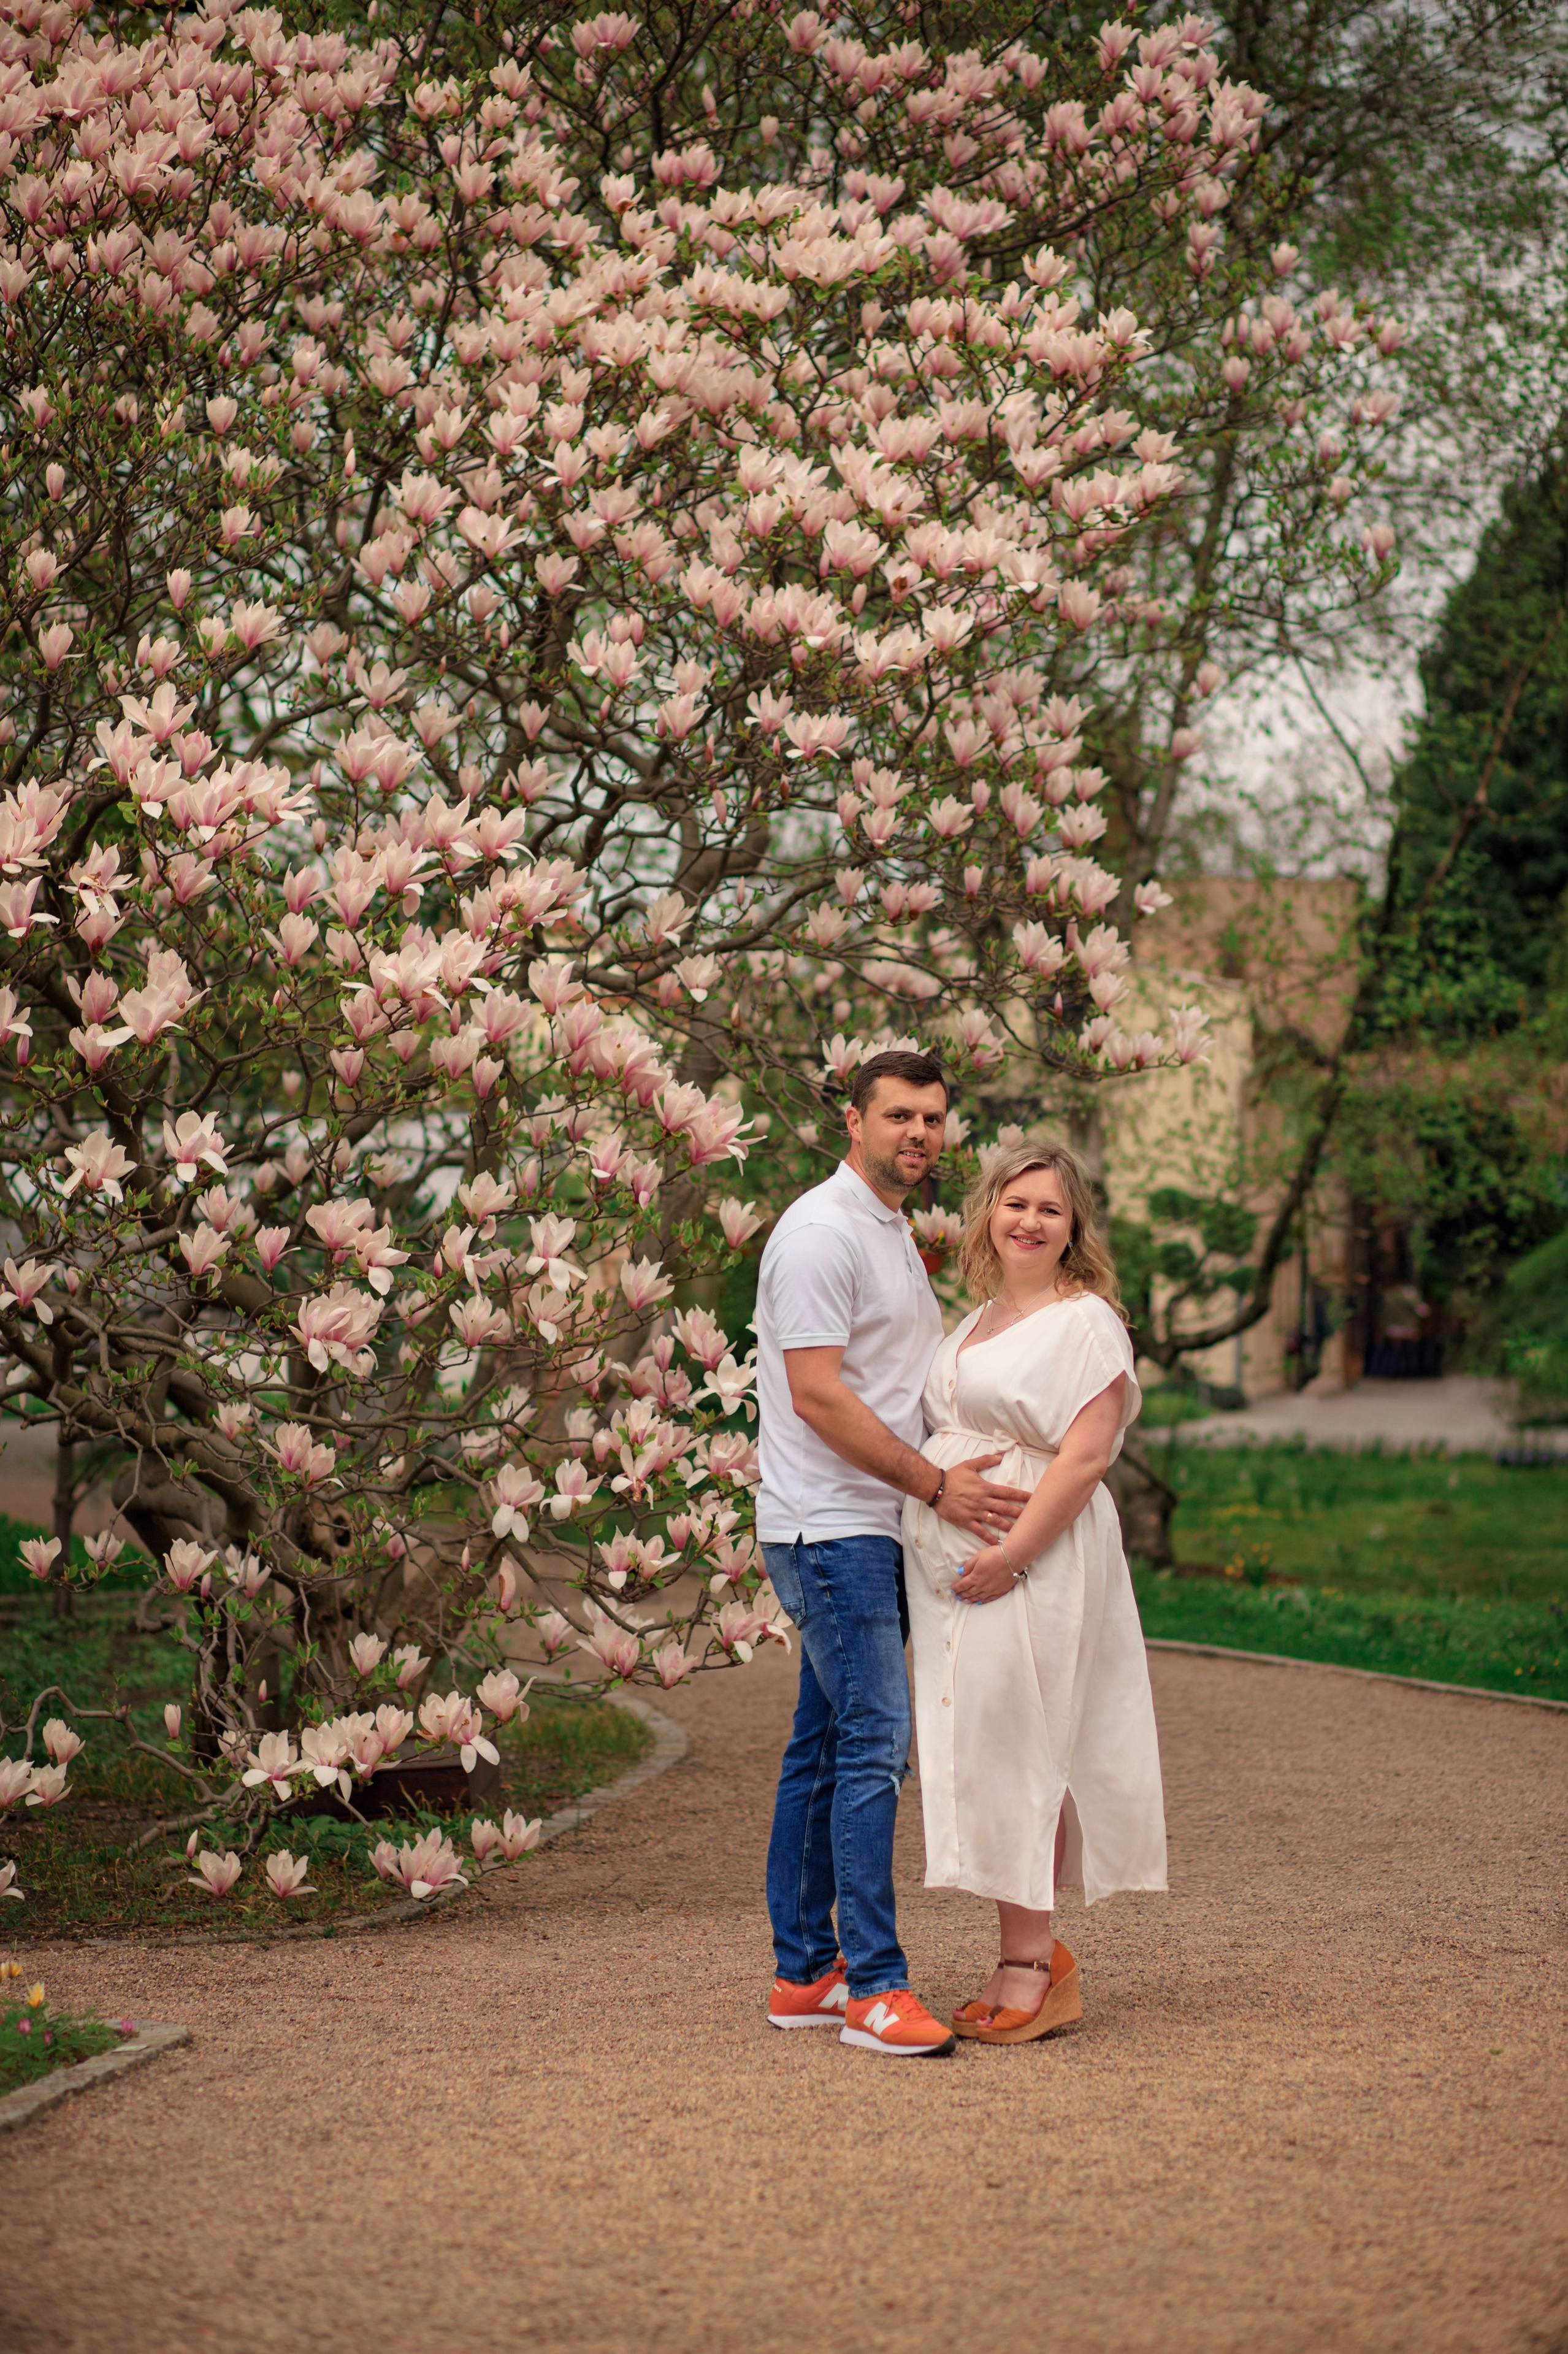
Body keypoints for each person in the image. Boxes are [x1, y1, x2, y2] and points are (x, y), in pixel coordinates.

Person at [755, 1049, 1031, 2058]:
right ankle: (873, 1986)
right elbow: (818, 1395)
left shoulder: (886, 1230)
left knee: (826, 1747)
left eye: (932, 1118)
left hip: (868, 1525)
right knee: (876, 1741)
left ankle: (804, 1973)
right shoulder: (819, 1234)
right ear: (853, 1120)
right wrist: (934, 1483)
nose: (918, 1133)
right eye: (898, 1115)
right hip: (832, 1527)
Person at [901, 1141, 1167, 2045]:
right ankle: (1027, 1952)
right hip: (963, 1572)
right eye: (1015, 1203)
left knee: (1025, 1743)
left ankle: (1031, 1965)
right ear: (988, 1213)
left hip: (1035, 1559)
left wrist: (1012, 1555)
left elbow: (1086, 1457)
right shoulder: (975, 1318)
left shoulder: (1085, 1321)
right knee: (983, 1743)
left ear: (1073, 1226)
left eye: (1050, 1209)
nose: (1029, 1221)